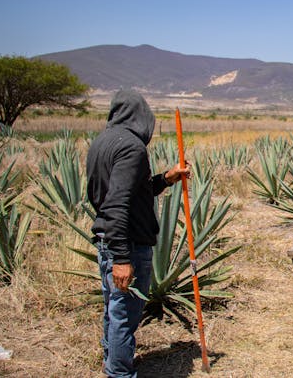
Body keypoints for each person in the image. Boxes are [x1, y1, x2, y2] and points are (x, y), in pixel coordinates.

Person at [86, 89, 189, 377]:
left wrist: (166, 179)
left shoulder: (102, 142)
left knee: (112, 307)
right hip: (126, 243)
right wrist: (122, 257)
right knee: (125, 313)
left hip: (109, 238)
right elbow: (118, 203)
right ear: (141, 116)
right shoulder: (131, 148)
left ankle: (112, 359)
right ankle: (119, 372)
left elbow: (131, 193)